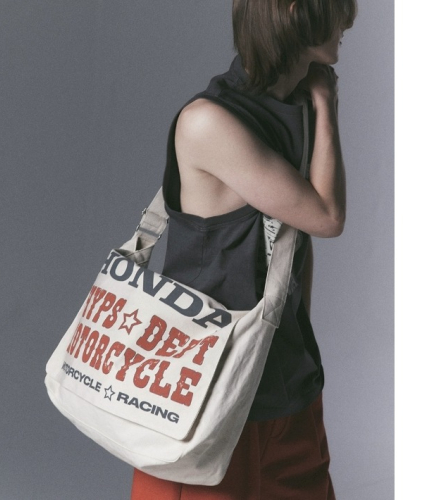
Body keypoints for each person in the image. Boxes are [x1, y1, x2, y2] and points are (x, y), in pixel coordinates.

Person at [130, 0, 357, 498]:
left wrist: (298, 343)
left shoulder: (293, 106)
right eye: (337, 7)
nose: (347, 21)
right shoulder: (208, 121)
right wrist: (327, 106)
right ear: (295, 12)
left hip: (285, 385)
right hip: (209, 394)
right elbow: (326, 217)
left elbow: (294, 244)